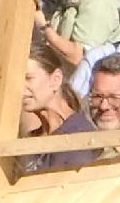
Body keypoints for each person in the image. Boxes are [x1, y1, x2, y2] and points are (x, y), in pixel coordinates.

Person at [13, 38, 100, 173]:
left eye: (28, 78)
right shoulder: (33, 137)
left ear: (56, 79)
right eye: (17, 80)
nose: (20, 87)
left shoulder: (78, 136)